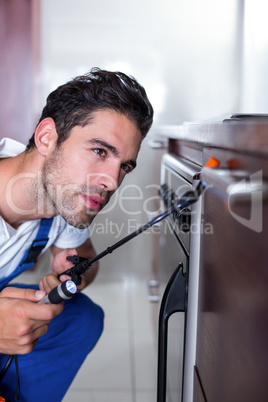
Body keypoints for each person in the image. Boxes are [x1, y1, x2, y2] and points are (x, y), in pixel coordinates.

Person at [0, 67, 153, 401]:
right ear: (46, 138)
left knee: (80, 319)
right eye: (100, 151)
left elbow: (82, 255)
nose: (112, 181)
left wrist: (74, 270)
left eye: (124, 165)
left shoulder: (63, 198)